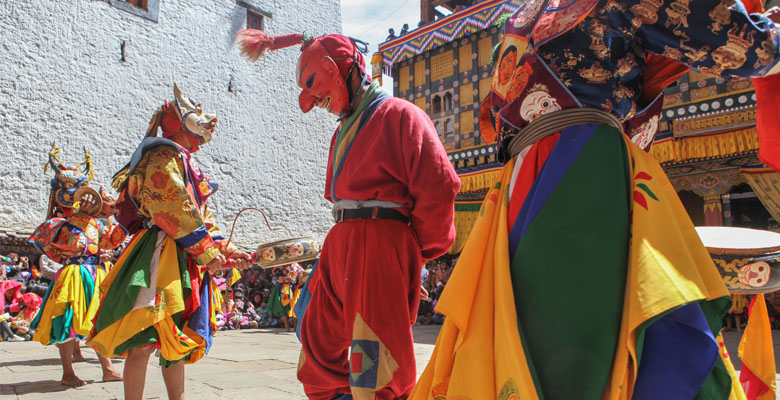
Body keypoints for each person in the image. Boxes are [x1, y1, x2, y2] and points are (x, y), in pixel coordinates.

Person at [410, 2, 780, 399]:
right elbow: (751, 48)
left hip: (522, 176)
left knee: (527, 330)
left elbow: (493, 114)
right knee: (575, 342)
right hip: (582, 167)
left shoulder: (526, 12)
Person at [237, 28, 460, 399]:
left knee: (375, 345)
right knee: (318, 337)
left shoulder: (401, 114)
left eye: (312, 84)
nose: (310, 102)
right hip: (341, 242)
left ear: (334, 68)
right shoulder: (344, 129)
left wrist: (409, 254)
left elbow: (437, 187)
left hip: (378, 241)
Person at [87, 84, 251, 400]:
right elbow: (172, 205)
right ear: (180, 123)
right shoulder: (163, 155)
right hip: (160, 253)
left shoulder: (183, 160)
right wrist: (206, 250)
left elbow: (200, 213)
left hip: (183, 254)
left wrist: (226, 250)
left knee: (173, 341)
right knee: (144, 340)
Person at [27, 143, 125, 387]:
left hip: (96, 274)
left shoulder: (97, 224)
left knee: (98, 320)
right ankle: (68, 372)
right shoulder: (59, 223)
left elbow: (110, 241)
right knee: (67, 321)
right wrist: (81, 217)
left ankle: (108, 368)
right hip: (73, 275)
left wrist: (126, 221)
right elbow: (63, 248)